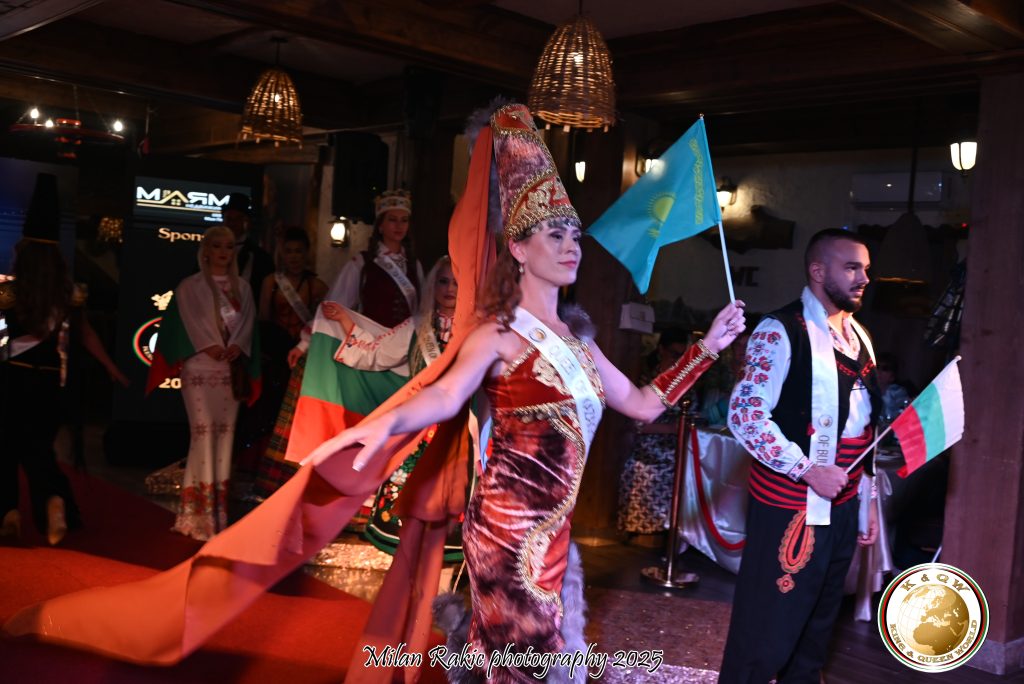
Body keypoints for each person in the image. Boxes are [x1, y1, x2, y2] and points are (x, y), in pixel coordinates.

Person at [311, 103, 747, 682]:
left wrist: (708, 347)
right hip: (505, 533)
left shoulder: (581, 342)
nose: (572, 246)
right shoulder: (498, 333)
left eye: (575, 236)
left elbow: (643, 404)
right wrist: (382, 423)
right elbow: (446, 397)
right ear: (518, 249)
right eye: (554, 234)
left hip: (554, 534)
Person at [719, 228, 882, 684]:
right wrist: (807, 470)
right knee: (769, 624)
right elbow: (745, 415)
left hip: (844, 499)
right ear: (817, 271)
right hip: (791, 503)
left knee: (819, 625)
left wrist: (867, 501)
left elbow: (866, 425)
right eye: (851, 268)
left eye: (866, 268)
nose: (864, 278)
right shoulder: (779, 330)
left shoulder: (860, 335)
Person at [0, 173, 128, 545]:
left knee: (5, 447)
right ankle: (54, 501)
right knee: (39, 448)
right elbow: (86, 335)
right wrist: (111, 367)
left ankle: (8, 512)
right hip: (51, 382)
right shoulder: (69, 293)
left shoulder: (9, 291)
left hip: (12, 378)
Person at [322, 256, 462, 559]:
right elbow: (375, 352)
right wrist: (345, 322)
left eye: (457, 282)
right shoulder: (418, 326)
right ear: (432, 285)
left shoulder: (476, 330)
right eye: (443, 281)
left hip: (459, 428)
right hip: (418, 425)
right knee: (407, 499)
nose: (450, 289)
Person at [149, 226, 258, 541]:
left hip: (228, 370)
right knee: (203, 432)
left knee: (225, 436)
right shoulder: (190, 286)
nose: (223, 252)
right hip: (199, 367)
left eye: (229, 246)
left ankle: (215, 516)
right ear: (206, 250)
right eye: (217, 246)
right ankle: (199, 514)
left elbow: (248, 324)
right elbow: (190, 321)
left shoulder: (243, 288)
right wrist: (209, 344)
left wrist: (236, 345)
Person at [617, 328, 690, 536]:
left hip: (675, 449)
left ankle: (671, 534)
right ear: (661, 350)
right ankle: (641, 533)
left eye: (682, 355)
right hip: (647, 448)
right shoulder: (647, 379)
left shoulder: (685, 381)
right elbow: (634, 421)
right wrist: (670, 429)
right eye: (674, 354)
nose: (677, 360)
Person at [223, 192, 274, 300]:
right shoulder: (210, 251)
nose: (232, 223)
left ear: (246, 222)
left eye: (237, 219)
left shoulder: (261, 258)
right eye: (229, 218)